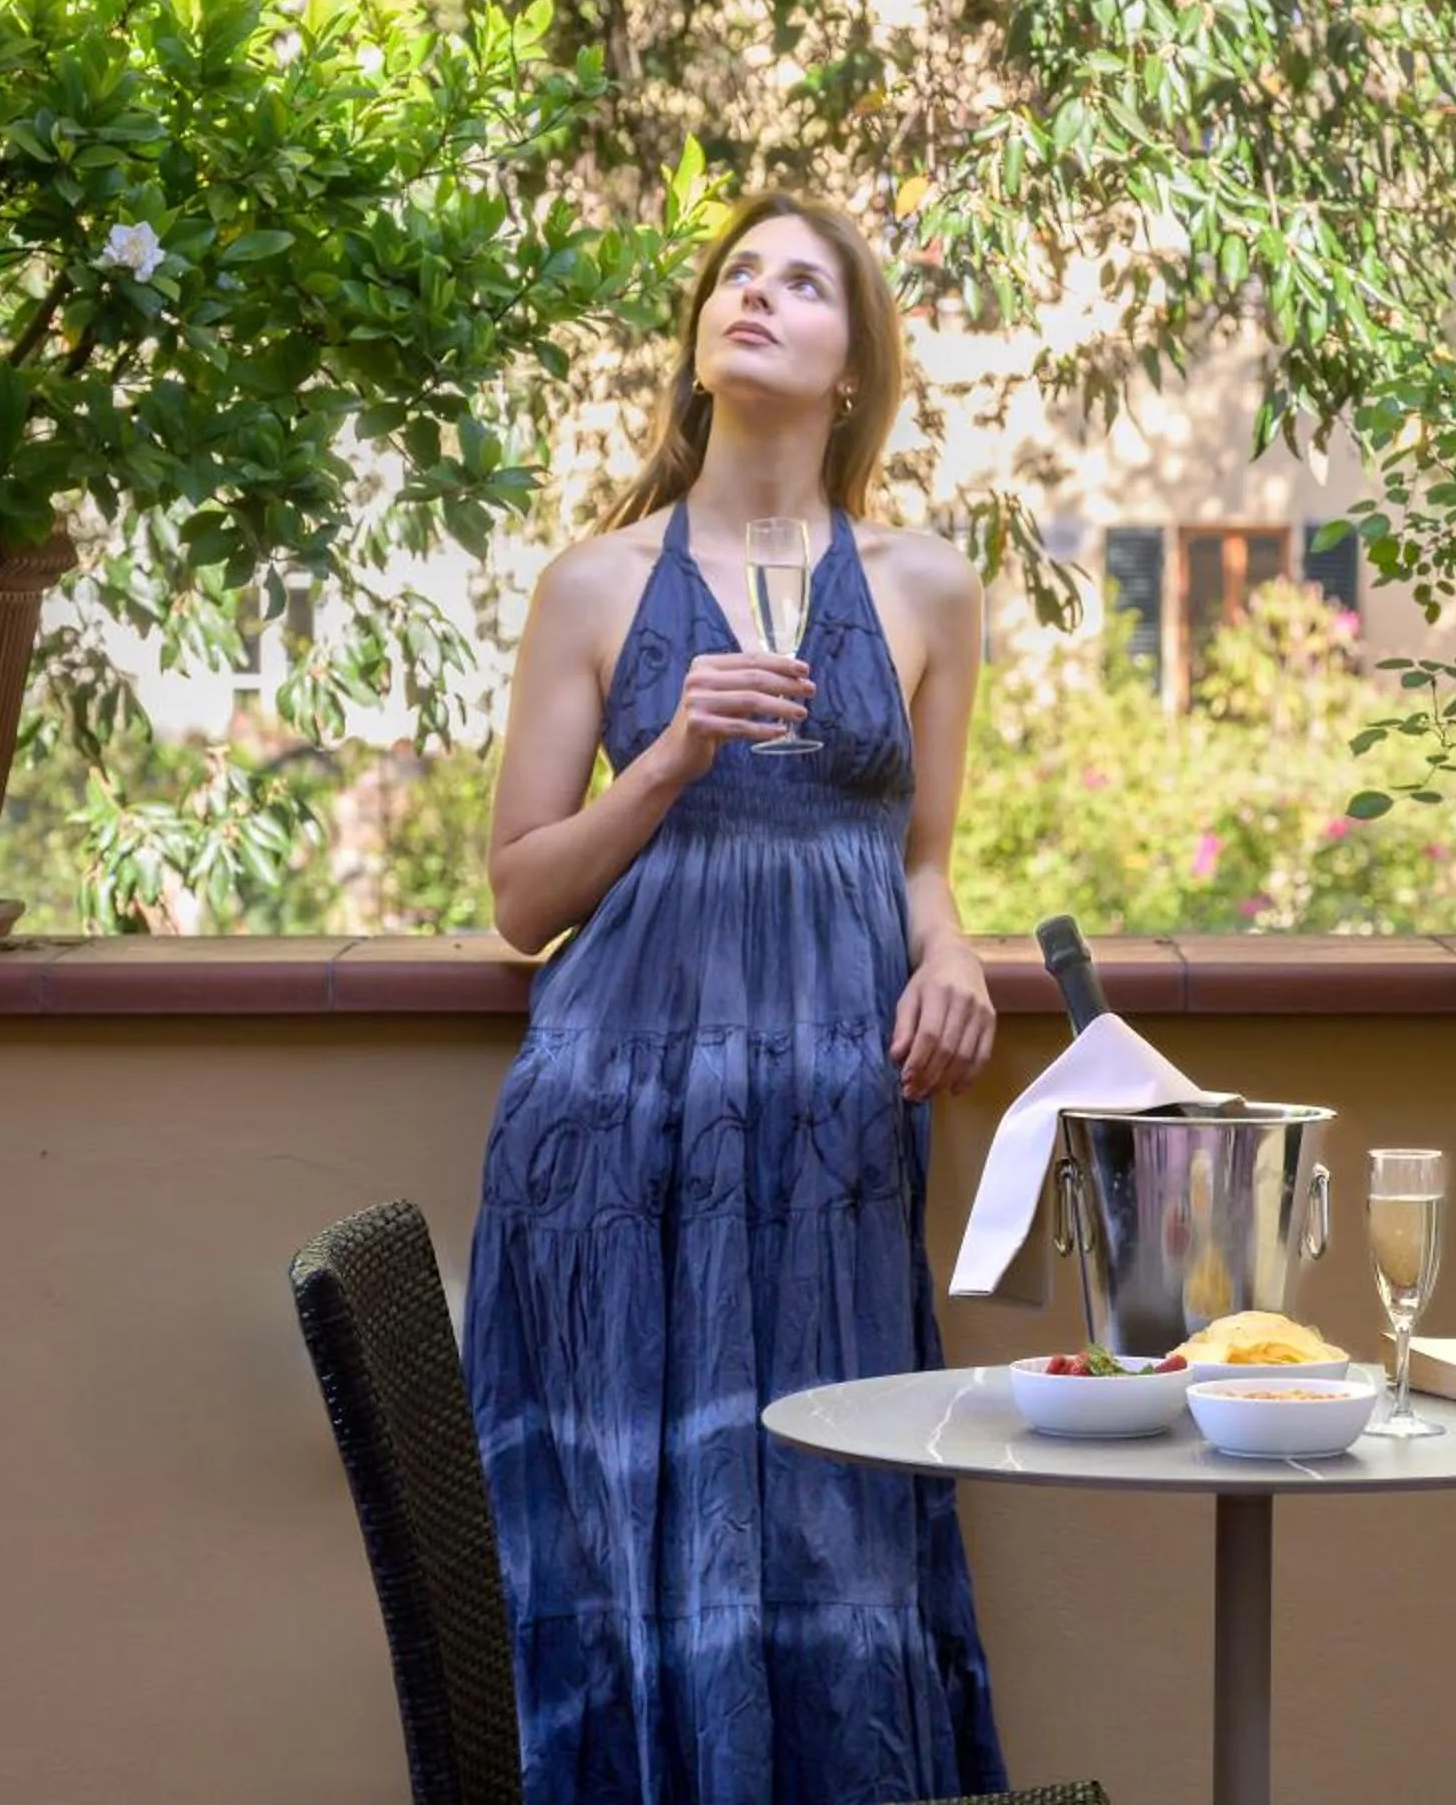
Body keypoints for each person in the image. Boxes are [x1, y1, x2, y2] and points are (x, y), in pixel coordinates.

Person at [462, 190, 1006, 1804]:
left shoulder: (926, 588)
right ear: (702, 345)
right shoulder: (599, 585)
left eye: (802, 284)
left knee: (832, 1541)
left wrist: (955, 951)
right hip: (620, 1131)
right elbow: (518, 900)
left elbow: (916, 860)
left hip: (834, 1130)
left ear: (855, 365)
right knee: (631, 1555)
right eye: (736, 278)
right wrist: (673, 759)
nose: (755, 298)